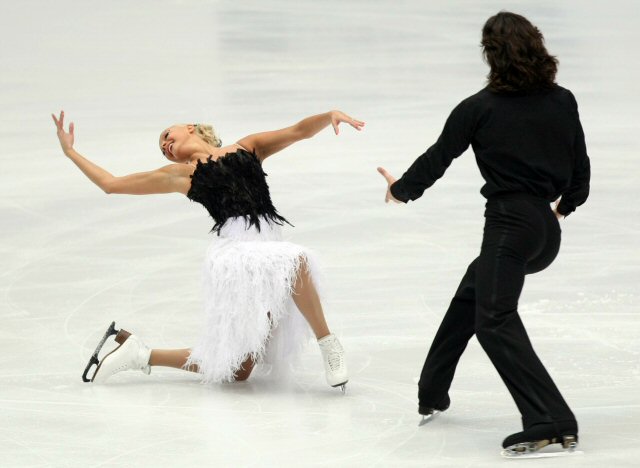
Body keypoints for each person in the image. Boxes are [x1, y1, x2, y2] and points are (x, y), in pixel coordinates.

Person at [377, 11, 590, 456]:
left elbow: (439, 157)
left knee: (494, 319)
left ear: (490, 55)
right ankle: (432, 391)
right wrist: (560, 209)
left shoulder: (479, 107)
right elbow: (580, 175)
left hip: (510, 228)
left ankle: (550, 418)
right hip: (545, 231)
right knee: (472, 299)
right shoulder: (562, 100)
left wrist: (400, 190)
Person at [52, 109, 365, 390]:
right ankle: (329, 344)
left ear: (190, 127)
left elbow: (298, 130)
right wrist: (70, 152)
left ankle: (141, 353)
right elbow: (111, 183)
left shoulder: (247, 147)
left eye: (166, 136)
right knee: (297, 261)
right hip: (237, 253)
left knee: (240, 368)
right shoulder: (181, 175)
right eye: (163, 149)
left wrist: (329, 116)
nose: (165, 145)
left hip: (268, 245)